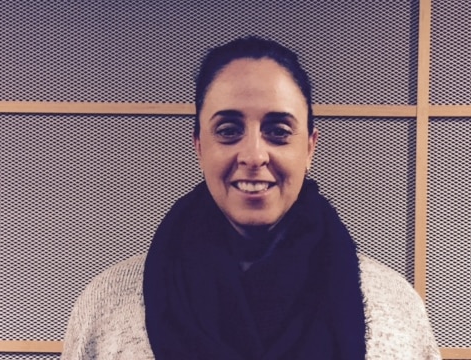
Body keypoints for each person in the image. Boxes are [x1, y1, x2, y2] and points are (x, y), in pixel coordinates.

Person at [62, 36, 441, 360]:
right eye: (228, 130)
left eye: (278, 131)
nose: (254, 155)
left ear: (310, 147)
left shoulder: (394, 306)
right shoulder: (107, 306)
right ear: (198, 146)